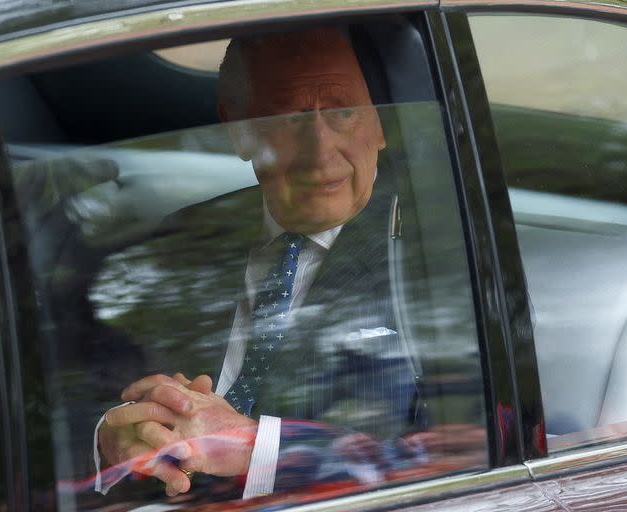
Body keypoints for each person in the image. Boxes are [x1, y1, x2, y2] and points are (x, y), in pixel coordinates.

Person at [93, 27, 427, 500]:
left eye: (342, 111)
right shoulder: (181, 239)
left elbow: (446, 455)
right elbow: (70, 381)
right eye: (290, 116)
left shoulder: (434, 255)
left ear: (380, 124)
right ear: (239, 130)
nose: (320, 150)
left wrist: (254, 449)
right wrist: (109, 434)